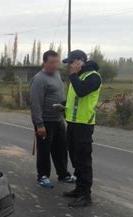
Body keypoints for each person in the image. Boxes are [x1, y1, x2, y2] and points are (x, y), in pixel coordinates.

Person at [62, 50, 102, 207]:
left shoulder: (93, 76)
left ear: (80, 61)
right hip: (72, 123)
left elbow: (82, 91)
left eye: (71, 62)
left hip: (84, 125)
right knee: (75, 158)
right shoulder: (78, 77)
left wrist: (73, 75)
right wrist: (64, 106)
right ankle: (79, 189)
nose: (70, 66)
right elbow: (75, 99)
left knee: (84, 161)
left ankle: (86, 196)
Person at [30, 50, 74, 189]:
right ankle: (42, 176)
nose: (55, 65)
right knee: (44, 149)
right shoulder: (39, 79)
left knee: (61, 148)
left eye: (57, 62)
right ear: (44, 63)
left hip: (58, 119)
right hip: (45, 121)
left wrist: (63, 106)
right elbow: (35, 103)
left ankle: (63, 174)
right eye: (52, 62)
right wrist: (39, 124)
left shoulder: (57, 74)